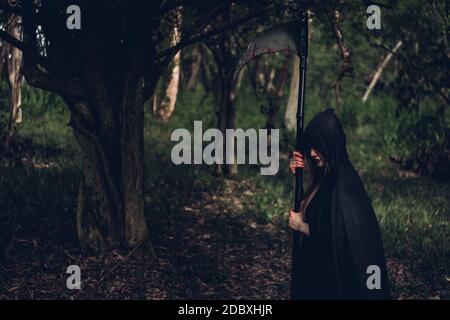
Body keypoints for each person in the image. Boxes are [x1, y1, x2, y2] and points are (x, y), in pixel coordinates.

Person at [288, 108, 391, 300]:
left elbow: (338, 239)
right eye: (311, 146)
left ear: (331, 144)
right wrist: (298, 177)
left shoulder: (342, 187)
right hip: (321, 277)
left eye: (318, 147)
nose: (312, 152)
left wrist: (302, 226)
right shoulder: (329, 176)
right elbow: (314, 211)